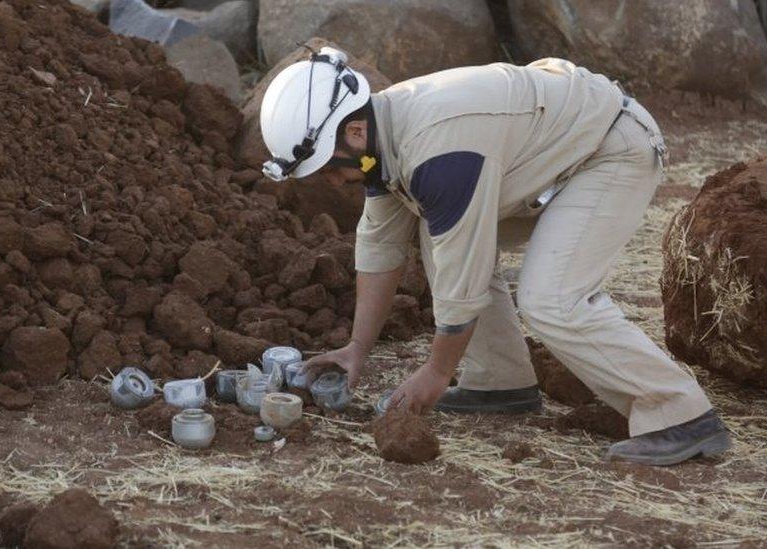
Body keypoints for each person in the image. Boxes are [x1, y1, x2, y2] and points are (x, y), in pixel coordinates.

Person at [259, 46, 731, 466]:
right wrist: (356, 350)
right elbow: (380, 246)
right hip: (552, 157)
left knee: (551, 299)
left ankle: (679, 413)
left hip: (608, 151)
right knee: (433, 231)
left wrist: (437, 372)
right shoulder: (384, 138)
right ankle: (501, 383)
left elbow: (461, 277)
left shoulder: (438, 154)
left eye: (326, 168)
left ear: (355, 131)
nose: (330, 182)